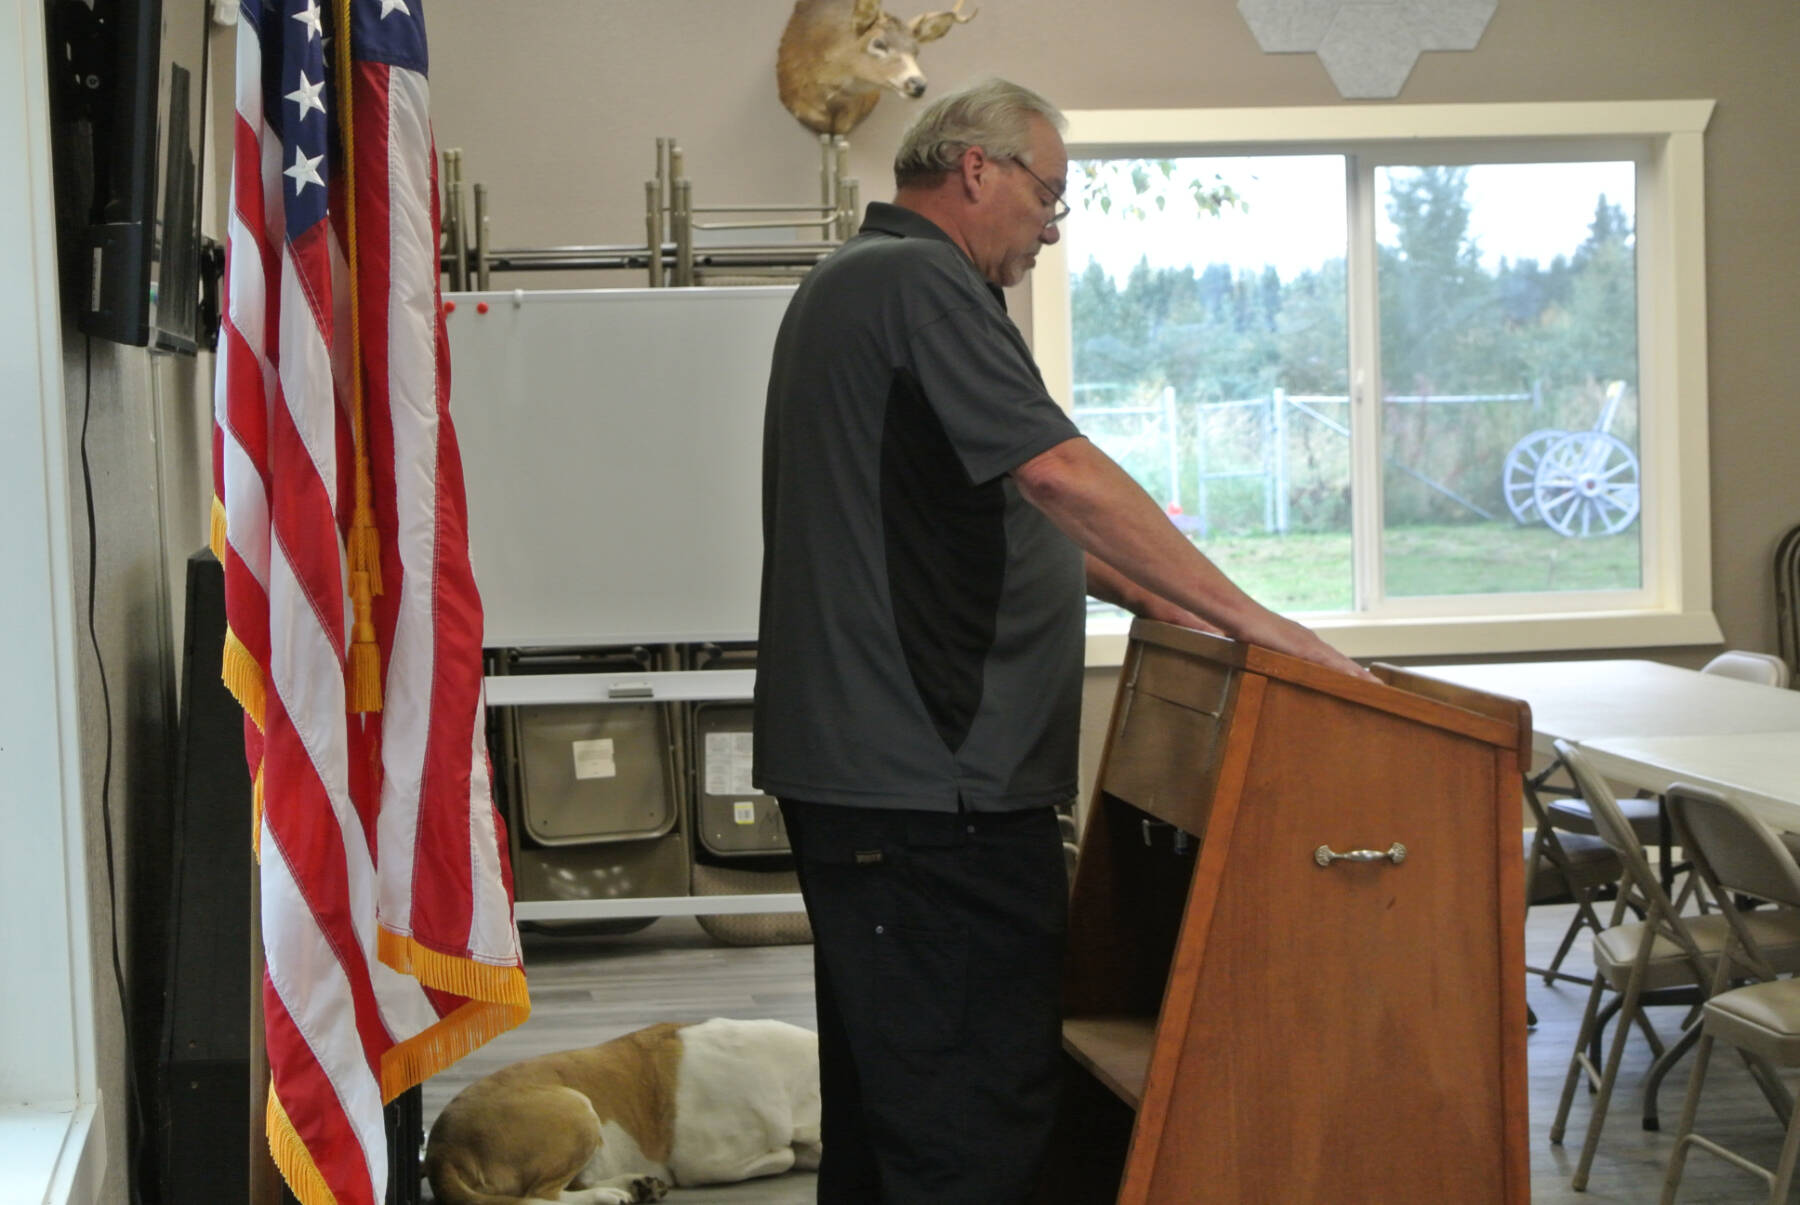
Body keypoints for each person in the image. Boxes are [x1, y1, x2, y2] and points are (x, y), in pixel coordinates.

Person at [753, 77, 1371, 1204]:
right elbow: (1058, 473)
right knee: (970, 1114)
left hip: (888, 786)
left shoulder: (862, 281)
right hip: (929, 793)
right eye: (1050, 195)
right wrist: (1262, 623)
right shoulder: (919, 283)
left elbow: (1000, 518)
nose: (1051, 224)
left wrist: (1169, 603)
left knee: (895, 1105)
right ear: (977, 169)